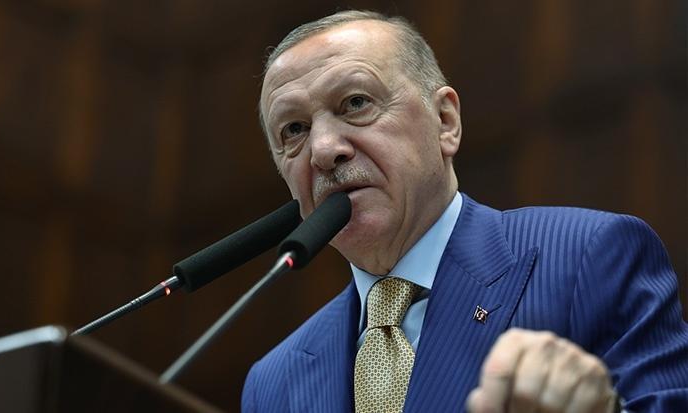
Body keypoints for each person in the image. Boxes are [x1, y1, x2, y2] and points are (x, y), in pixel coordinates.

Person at [242, 10, 688, 413]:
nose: (323, 150)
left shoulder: (589, 255)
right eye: (294, 129)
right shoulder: (272, 383)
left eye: (356, 103)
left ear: (445, 122)